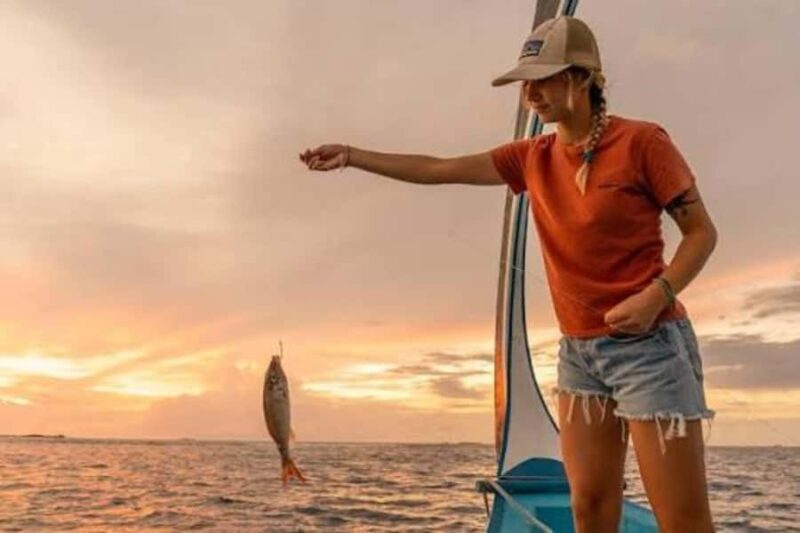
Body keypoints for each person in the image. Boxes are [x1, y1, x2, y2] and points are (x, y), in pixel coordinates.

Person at [299, 16, 717, 533]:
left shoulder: (643, 143)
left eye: (543, 79)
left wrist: (658, 295)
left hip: (650, 349)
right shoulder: (532, 157)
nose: (531, 94)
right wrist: (353, 157)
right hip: (580, 356)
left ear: (583, 77)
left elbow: (701, 233)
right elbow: (439, 169)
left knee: (682, 521)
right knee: (588, 507)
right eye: (525, 83)